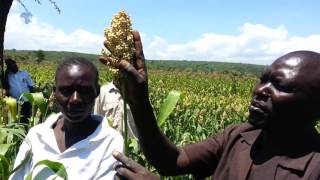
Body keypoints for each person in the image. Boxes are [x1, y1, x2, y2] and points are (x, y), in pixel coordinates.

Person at [101, 31, 320, 180]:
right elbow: (173, 160)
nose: (260, 91)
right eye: (263, 79)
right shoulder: (239, 135)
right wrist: (139, 102)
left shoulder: (314, 168)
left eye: (280, 86)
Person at [10, 57, 123, 179]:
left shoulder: (110, 141)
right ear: (55, 92)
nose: (75, 99)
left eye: (84, 91)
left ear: (97, 92)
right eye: (66, 90)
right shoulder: (36, 135)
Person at [4, 58, 35, 124]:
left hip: (26, 100)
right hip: (15, 102)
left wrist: (32, 99)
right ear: (8, 68)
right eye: (11, 66)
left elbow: (31, 86)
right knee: (17, 120)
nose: (15, 67)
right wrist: (6, 73)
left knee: (26, 119)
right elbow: (5, 87)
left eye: (15, 65)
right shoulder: (7, 76)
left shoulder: (24, 73)